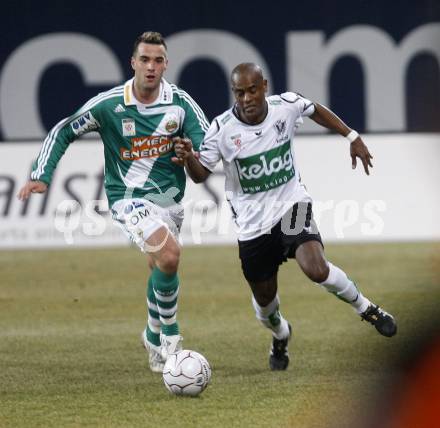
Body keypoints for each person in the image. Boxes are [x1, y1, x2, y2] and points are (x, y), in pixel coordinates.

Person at [173, 62, 397, 371]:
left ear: (264, 86)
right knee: (265, 305)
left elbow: (314, 109)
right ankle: (281, 334)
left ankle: (368, 309)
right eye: (240, 93)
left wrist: (351, 136)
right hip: (253, 227)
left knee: (316, 268)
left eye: (253, 90)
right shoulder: (221, 130)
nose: (247, 98)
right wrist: (188, 160)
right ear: (233, 94)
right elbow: (200, 175)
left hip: (292, 206)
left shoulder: (285, 106)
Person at [17, 31, 210, 373]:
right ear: (133, 62)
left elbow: (206, 155)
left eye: (158, 60)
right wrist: (42, 173)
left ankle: (151, 335)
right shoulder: (109, 105)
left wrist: (190, 154)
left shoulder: (180, 104)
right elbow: (64, 129)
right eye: (145, 59)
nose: (151, 67)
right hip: (128, 199)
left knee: (160, 267)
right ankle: (171, 340)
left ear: (166, 64)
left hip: (169, 200)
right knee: (169, 255)